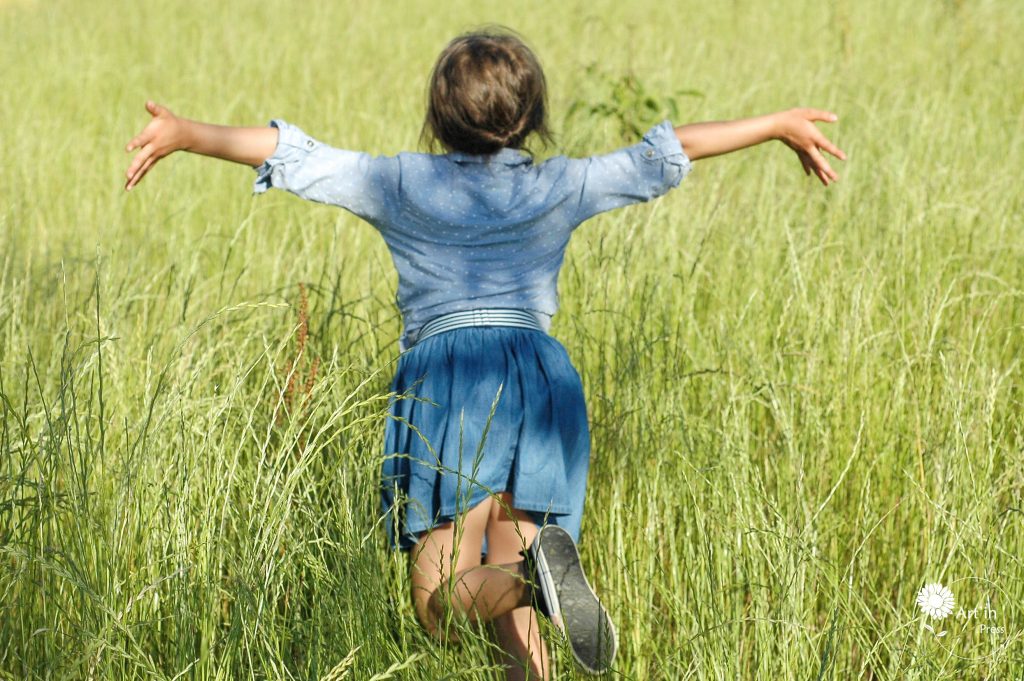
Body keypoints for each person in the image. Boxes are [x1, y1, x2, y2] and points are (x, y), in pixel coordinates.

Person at [124, 27, 845, 679]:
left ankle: (536, 577)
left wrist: (187, 132)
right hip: (541, 386)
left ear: (439, 117)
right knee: (517, 625)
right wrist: (777, 123)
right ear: (530, 117)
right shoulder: (558, 185)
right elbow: (664, 151)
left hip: (451, 389)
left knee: (439, 606)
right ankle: (540, 579)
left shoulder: (402, 184)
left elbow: (294, 154)